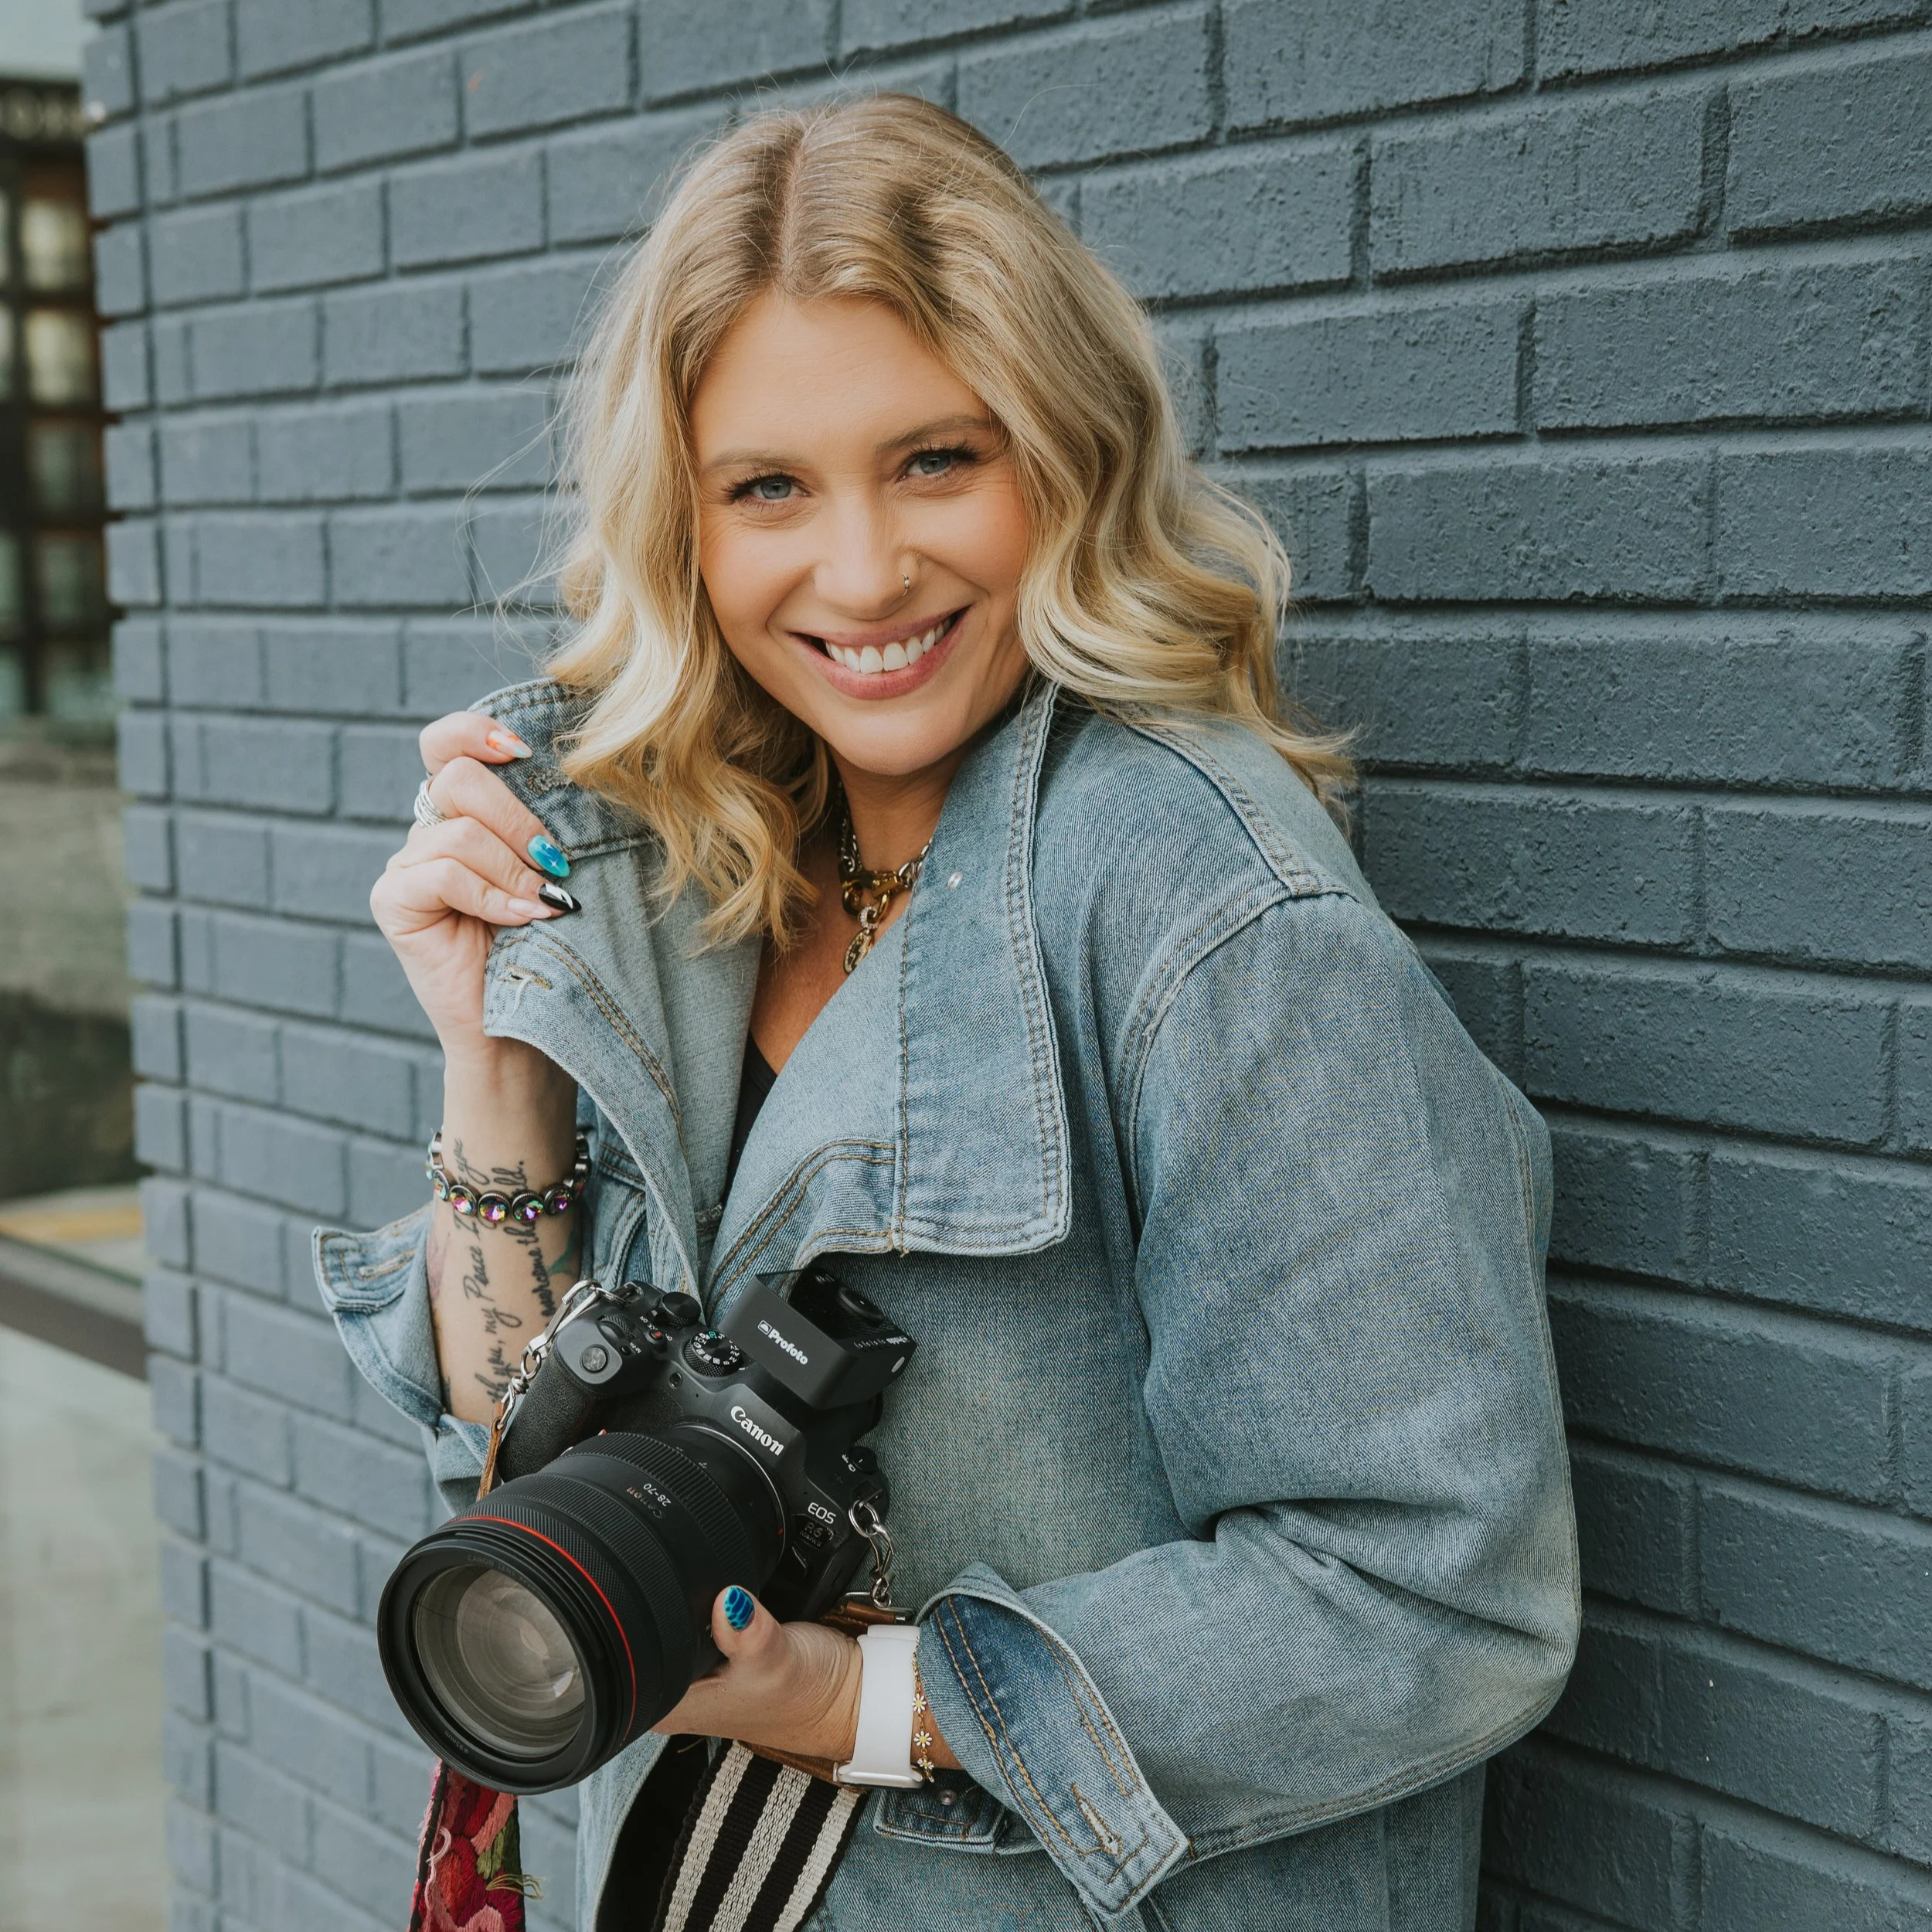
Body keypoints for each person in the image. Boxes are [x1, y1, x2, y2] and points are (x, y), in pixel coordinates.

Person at [316, 94, 1578, 1932]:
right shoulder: (682, 871)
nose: (858, 572)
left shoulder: (1203, 906)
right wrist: (494, 1047)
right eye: (767, 487)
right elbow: (524, 1468)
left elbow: (1437, 1593)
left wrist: (867, 1700)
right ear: (683, 520)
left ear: (1059, 460)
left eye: (931, 461)